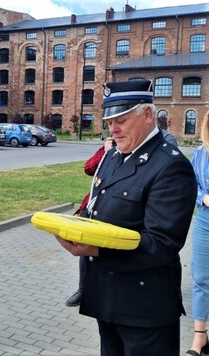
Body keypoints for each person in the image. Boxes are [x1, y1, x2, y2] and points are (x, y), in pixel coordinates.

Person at [54, 80, 197, 355]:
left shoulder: (170, 165)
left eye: (121, 119)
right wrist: (76, 225)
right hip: (108, 298)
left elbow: (162, 244)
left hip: (144, 306)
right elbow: (98, 208)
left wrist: (96, 249)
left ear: (146, 115)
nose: (113, 129)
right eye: (109, 121)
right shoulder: (115, 156)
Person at [65, 137, 115, 307]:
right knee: (85, 248)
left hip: (116, 208)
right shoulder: (110, 147)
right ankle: (83, 289)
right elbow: (88, 168)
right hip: (95, 205)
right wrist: (106, 152)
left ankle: (106, 292)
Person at [186, 111, 209, 356]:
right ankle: (199, 337)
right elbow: (190, 187)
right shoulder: (199, 155)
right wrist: (203, 197)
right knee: (202, 278)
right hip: (205, 220)